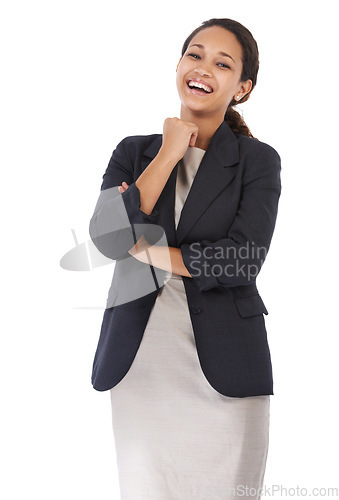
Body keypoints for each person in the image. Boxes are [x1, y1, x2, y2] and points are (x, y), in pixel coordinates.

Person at [89, 17, 282, 500]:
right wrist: (169, 153)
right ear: (178, 64)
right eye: (194, 55)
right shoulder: (134, 153)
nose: (202, 69)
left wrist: (148, 250)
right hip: (142, 368)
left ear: (243, 87)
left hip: (227, 369)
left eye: (222, 63)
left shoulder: (257, 162)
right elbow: (110, 241)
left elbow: (241, 261)